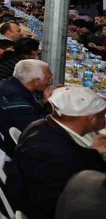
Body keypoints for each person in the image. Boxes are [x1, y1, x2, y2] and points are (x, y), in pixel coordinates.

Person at [6, 87, 106, 218]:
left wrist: (93, 150)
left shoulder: (40, 124)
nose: (104, 120)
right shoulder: (62, 154)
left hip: (27, 195)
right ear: (91, 118)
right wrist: (94, 154)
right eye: (102, 116)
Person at [0, 59, 54, 153]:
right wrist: (51, 108)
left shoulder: (8, 82)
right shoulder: (17, 100)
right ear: (36, 81)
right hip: (15, 144)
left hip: (5, 128)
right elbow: (37, 130)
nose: (51, 80)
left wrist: (44, 101)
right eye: (49, 78)